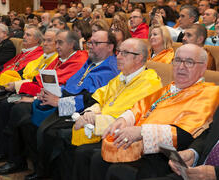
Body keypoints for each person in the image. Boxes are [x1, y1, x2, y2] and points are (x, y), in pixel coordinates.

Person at [0, 30, 120, 180]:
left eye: (96, 43)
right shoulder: (91, 62)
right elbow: (70, 85)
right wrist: (49, 94)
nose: (90, 46)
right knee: (23, 117)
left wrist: (58, 102)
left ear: (110, 47)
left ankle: (45, 172)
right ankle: (32, 165)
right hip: (64, 101)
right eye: (90, 42)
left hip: (82, 111)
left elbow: (90, 100)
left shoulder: (111, 68)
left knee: (45, 129)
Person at [90, 44, 219, 180]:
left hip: (167, 155)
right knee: (96, 158)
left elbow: (186, 133)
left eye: (189, 62)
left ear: (203, 67)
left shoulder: (209, 93)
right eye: (178, 60)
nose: (181, 67)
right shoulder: (170, 87)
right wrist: (123, 120)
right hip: (140, 144)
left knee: (115, 169)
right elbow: (142, 106)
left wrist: (141, 132)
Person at [46, 38, 162, 180]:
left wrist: (95, 119)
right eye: (119, 52)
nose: (118, 56)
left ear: (139, 58)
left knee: (80, 150)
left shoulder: (149, 83)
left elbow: (131, 115)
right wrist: (90, 113)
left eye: (124, 53)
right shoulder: (122, 76)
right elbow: (100, 97)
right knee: (60, 136)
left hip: (122, 134)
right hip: (97, 122)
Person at [0, 30, 88, 165]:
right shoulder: (60, 58)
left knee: (16, 108)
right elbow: (39, 80)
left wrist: (29, 94)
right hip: (41, 95)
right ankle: (4, 150)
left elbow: (58, 87)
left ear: (72, 44)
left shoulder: (79, 59)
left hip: (58, 101)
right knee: (7, 103)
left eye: (59, 42)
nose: (56, 46)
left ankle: (15, 160)